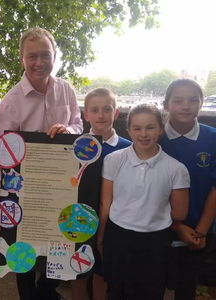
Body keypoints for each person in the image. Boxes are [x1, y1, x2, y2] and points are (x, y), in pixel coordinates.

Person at [0, 27, 83, 300]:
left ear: (55, 56)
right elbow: (0, 155)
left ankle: (46, 293)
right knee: (24, 256)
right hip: (24, 190)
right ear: (22, 59)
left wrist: (69, 130)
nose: (39, 62)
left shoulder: (66, 90)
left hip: (60, 187)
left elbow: (78, 123)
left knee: (61, 246)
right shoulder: (12, 101)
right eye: (32, 56)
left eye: (45, 55)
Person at [97, 103, 190, 300]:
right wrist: (101, 237)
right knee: (115, 292)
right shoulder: (114, 160)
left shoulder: (176, 168)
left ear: (160, 129)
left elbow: (180, 212)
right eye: (137, 128)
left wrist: (148, 213)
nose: (144, 134)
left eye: (150, 127)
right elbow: (106, 203)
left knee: (151, 293)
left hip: (155, 244)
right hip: (118, 238)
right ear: (129, 130)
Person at [159, 78, 216, 300]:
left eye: (193, 100)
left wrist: (201, 231)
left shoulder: (212, 138)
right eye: (178, 100)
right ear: (166, 105)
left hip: (200, 229)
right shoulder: (155, 137)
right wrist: (176, 226)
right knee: (154, 283)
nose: (186, 106)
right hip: (160, 227)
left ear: (201, 103)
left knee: (186, 286)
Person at [72, 88, 131, 300]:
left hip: (113, 222)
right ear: (85, 115)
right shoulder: (74, 147)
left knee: (102, 272)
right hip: (79, 219)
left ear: (116, 113)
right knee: (78, 269)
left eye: (107, 109)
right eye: (94, 110)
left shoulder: (129, 149)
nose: (101, 115)